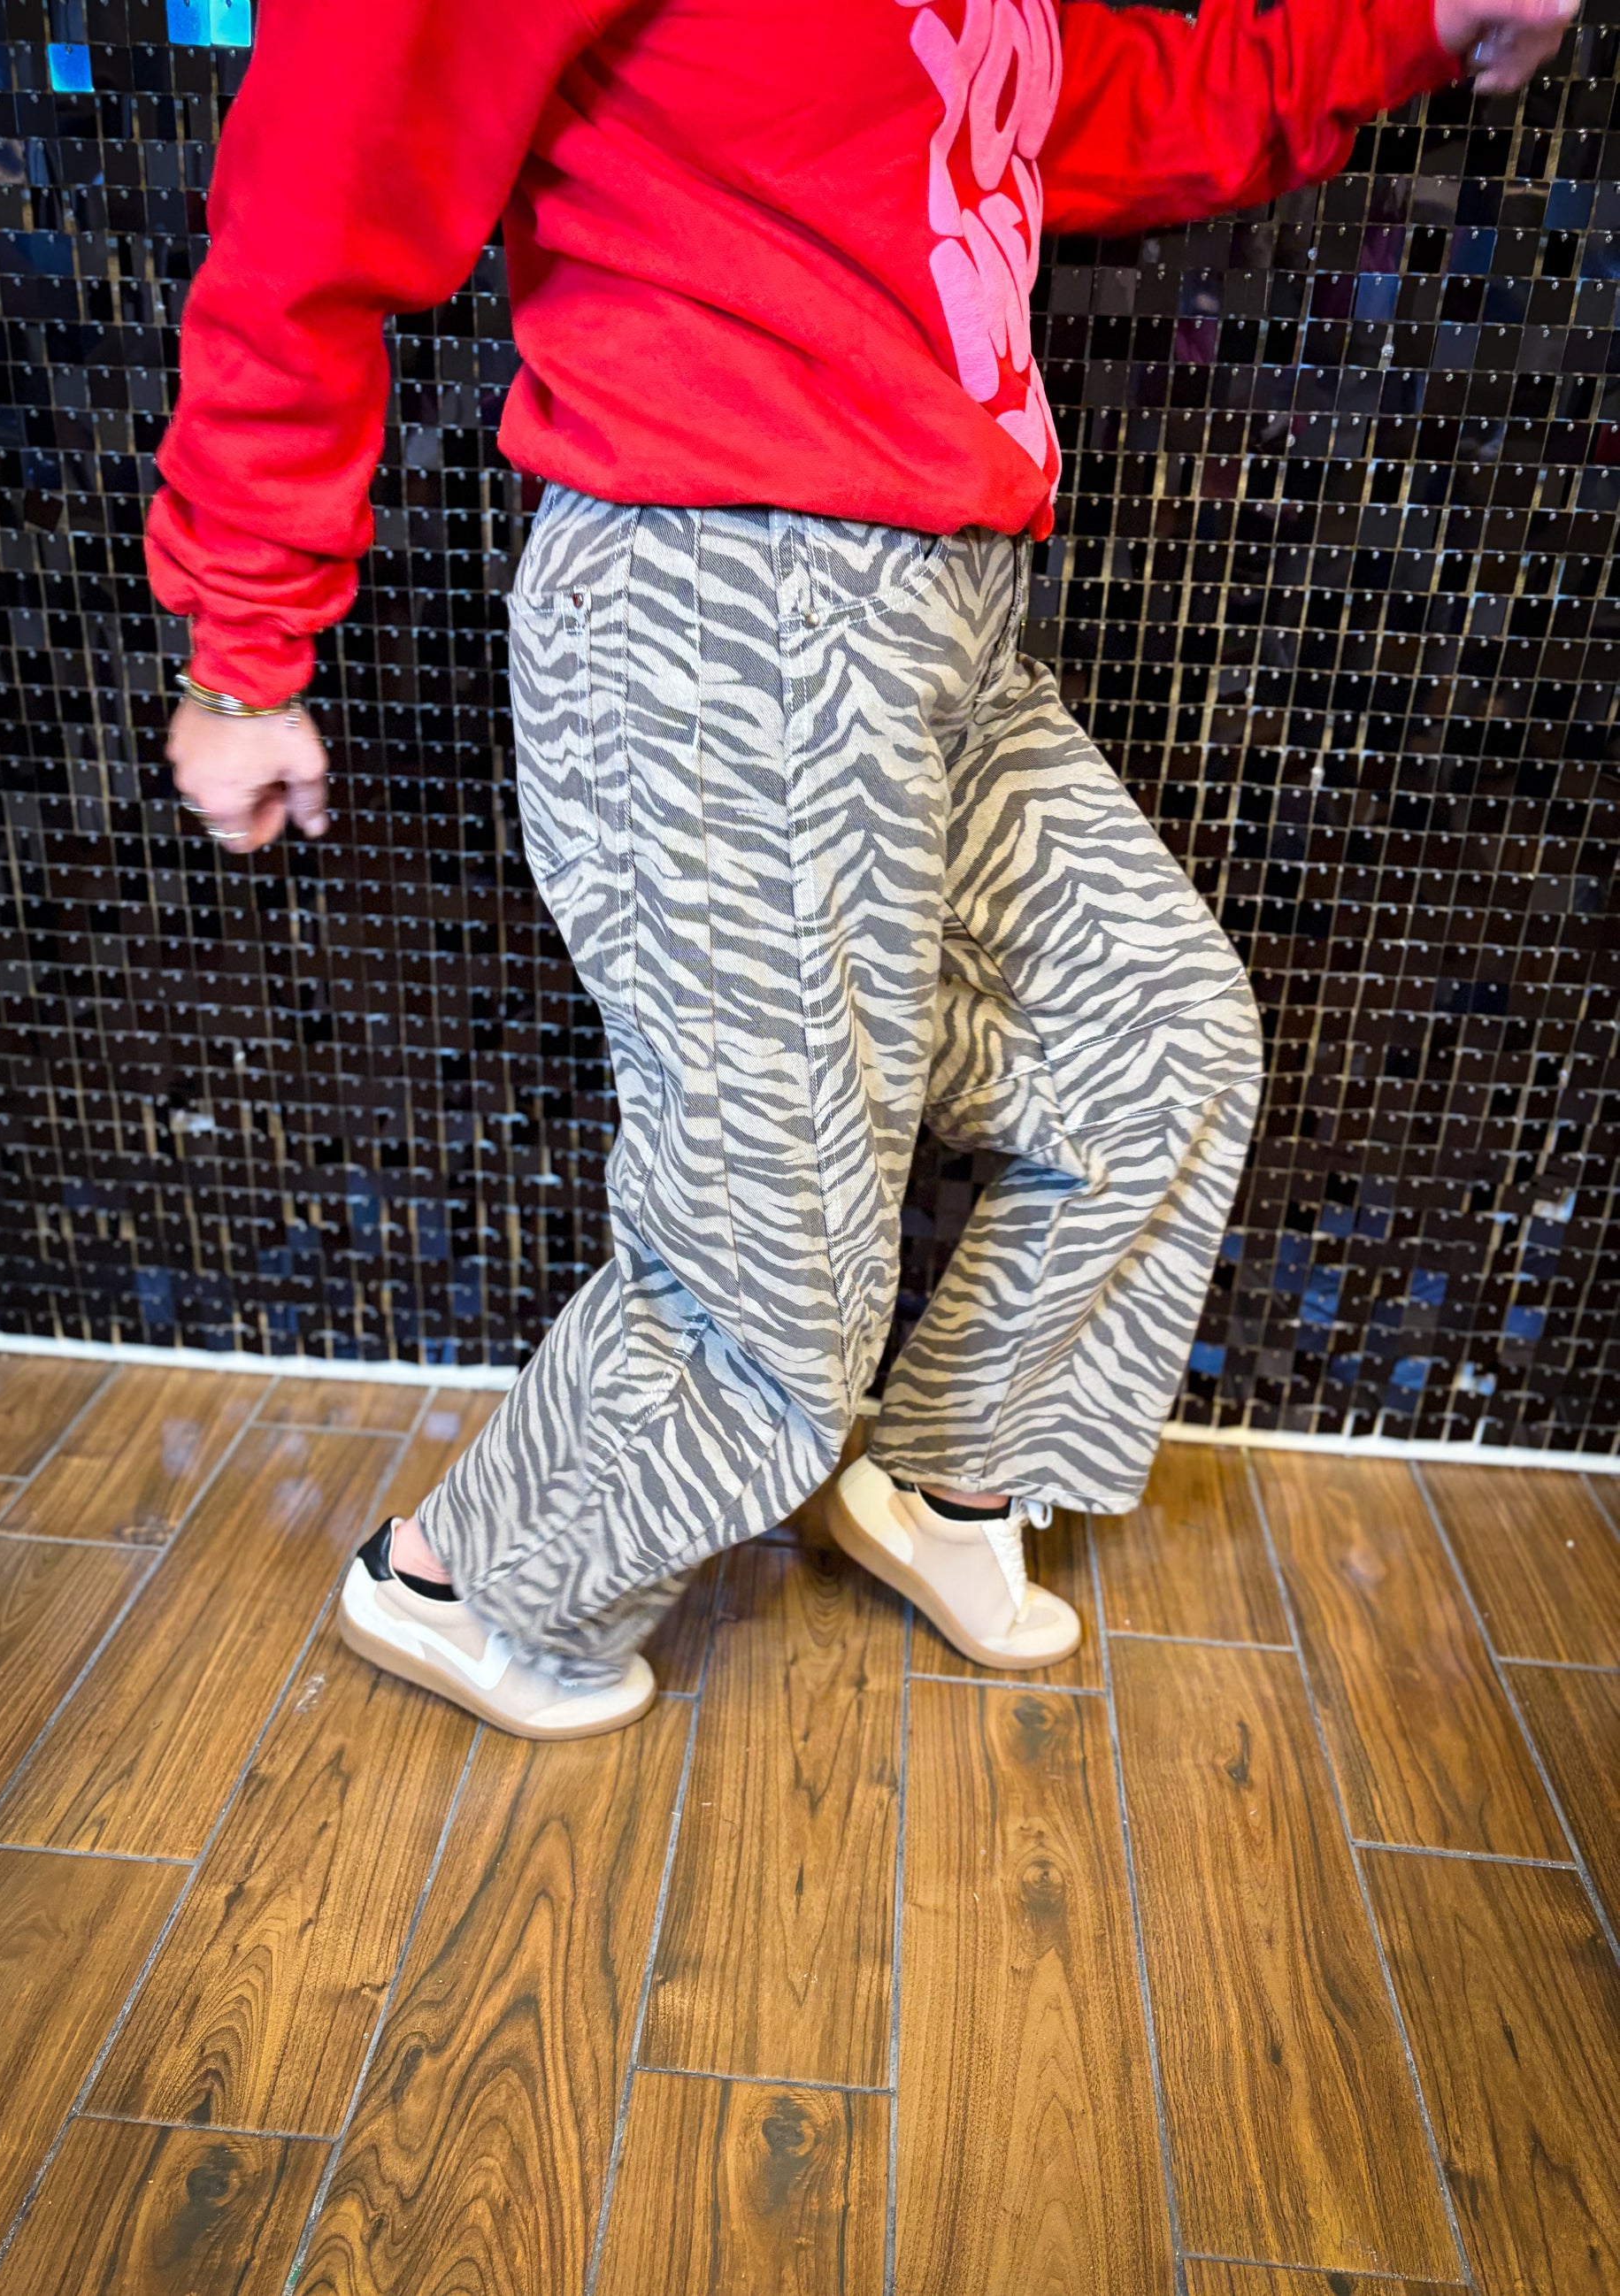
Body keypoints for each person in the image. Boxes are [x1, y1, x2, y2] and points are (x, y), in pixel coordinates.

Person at [152, 0, 1574, 1739]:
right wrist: (246, 640)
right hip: (718, 599)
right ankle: (466, 1581)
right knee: (771, 1278)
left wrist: (1411, 26)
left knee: (1151, 1047)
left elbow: (1063, 102)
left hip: (938, 605)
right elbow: (332, 158)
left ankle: (943, 1479)